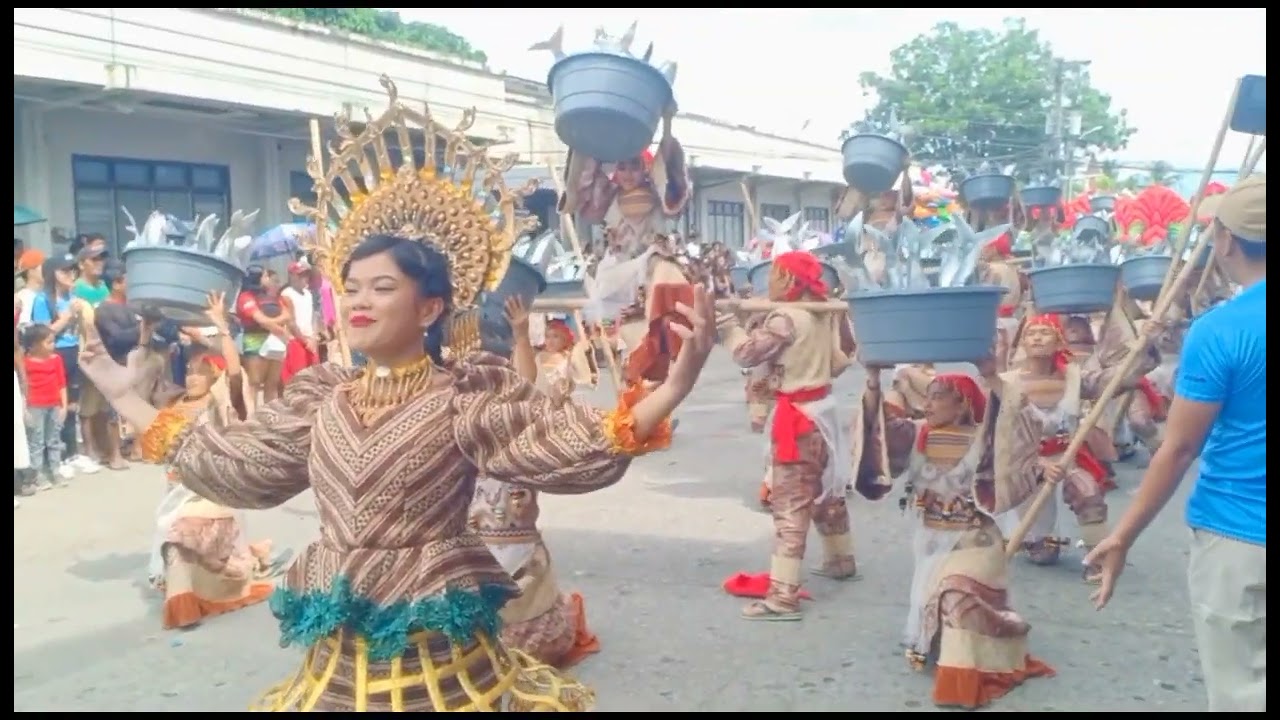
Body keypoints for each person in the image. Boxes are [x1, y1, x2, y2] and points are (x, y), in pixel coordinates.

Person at [78, 83, 717, 711]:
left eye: (381, 287)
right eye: (350, 286)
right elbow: (238, 468)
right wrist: (121, 396)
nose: (358, 301)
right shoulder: (321, 397)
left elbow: (566, 445)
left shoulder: (465, 397)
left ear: (431, 306)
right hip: (339, 661)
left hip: (438, 654)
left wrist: (671, 388)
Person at [1087, 174, 1266, 713]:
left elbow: (1179, 448)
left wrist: (1123, 534)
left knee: (1242, 692)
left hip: (1240, 537)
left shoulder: (1223, 329)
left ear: (1226, 241)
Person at [857, 365, 1054, 708]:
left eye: (937, 397)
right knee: (938, 609)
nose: (928, 405)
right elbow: (878, 429)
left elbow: (1023, 425)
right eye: (926, 397)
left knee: (954, 595)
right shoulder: (917, 435)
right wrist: (874, 380)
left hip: (975, 543)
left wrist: (1041, 468)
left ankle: (960, 683)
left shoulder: (987, 440)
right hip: (930, 541)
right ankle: (965, 646)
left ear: (961, 404)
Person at [723, 250, 857, 621]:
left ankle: (783, 596)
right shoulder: (823, 313)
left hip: (798, 418)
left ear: (790, 281)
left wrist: (728, 327)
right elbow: (839, 362)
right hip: (824, 412)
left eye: (775, 276)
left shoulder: (786, 318)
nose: (769, 284)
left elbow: (747, 355)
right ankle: (840, 558)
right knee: (827, 490)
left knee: (790, 504)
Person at [468, 296, 600, 668]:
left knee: (526, 649)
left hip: (519, 554)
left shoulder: (518, 427)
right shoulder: (465, 423)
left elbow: (525, 388)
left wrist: (521, 336)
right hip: (472, 548)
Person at [29, 253, 100, 476]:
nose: (70, 275)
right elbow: (42, 334)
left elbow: (82, 329)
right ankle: (57, 457)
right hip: (53, 354)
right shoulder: (43, 300)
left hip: (73, 352)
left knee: (72, 404)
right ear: (53, 274)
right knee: (55, 406)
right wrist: (68, 315)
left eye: (72, 270)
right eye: (64, 271)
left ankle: (72, 452)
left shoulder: (73, 296)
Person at [20, 324, 70, 492]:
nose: (52, 345)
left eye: (53, 341)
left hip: (54, 405)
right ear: (34, 345)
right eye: (48, 342)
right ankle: (37, 473)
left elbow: (62, 383)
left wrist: (63, 405)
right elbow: (23, 387)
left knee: (54, 439)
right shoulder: (25, 363)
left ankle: (55, 470)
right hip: (35, 406)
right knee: (36, 441)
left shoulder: (56, 359)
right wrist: (24, 408)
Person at [279, 261, 319, 384]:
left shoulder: (308, 294)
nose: (304, 278)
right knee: (298, 378)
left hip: (310, 339)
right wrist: (305, 341)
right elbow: (291, 321)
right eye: (301, 275)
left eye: (306, 275)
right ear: (292, 276)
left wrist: (313, 337)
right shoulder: (286, 294)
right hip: (296, 340)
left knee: (314, 376)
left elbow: (313, 317)